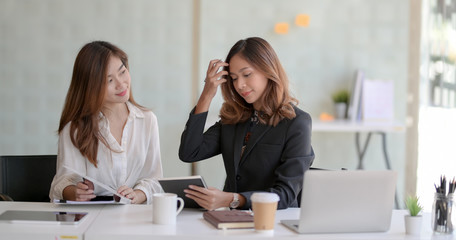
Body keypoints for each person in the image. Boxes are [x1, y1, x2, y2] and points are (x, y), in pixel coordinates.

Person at [179, 37, 315, 210]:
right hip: (231, 221)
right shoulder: (234, 118)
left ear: (268, 70)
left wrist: (233, 199)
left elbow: (286, 194)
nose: (240, 85)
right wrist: (206, 95)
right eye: (234, 78)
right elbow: (189, 152)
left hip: (275, 224)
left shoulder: (297, 123)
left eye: (247, 74)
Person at [49, 41, 163, 204]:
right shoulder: (75, 128)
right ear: (91, 87)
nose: (121, 84)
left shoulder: (147, 120)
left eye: (122, 72)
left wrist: (137, 194)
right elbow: (62, 182)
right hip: (91, 216)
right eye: (109, 80)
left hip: (134, 215)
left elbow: (154, 179)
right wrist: (74, 192)